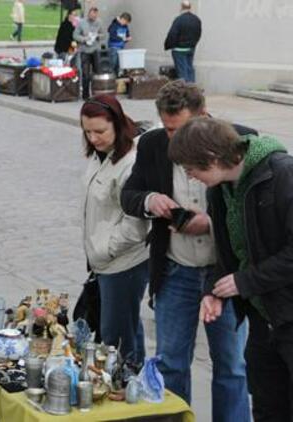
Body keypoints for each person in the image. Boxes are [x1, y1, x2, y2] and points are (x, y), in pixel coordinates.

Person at [120, 80, 252, 422]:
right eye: (168, 129)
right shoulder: (151, 144)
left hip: (222, 273)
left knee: (232, 366)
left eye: (181, 130)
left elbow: (251, 213)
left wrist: (209, 222)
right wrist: (150, 201)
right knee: (171, 362)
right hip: (175, 270)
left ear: (204, 116)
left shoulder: (239, 142)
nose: (173, 140)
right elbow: (129, 194)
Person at [168, 118, 293, 421]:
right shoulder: (220, 189)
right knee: (266, 406)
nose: (192, 178)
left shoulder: (283, 174)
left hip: (287, 311)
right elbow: (226, 250)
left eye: (191, 169)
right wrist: (214, 291)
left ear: (211, 158)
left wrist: (243, 281)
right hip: (264, 318)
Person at [80, 95, 149, 364]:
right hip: (104, 262)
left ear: (117, 125)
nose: (93, 138)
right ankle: (136, 381)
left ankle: (124, 388)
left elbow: (136, 224)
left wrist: (105, 249)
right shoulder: (101, 156)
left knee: (115, 338)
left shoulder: (129, 163)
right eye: (87, 131)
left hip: (123, 263)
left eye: (100, 131)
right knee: (127, 329)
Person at [164, 1, 201, 83]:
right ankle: (192, 88)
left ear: (181, 7)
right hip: (191, 48)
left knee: (182, 72)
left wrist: (168, 45)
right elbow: (198, 34)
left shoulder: (179, 20)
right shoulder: (196, 19)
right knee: (189, 69)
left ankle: (185, 91)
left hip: (179, 49)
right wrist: (193, 44)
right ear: (190, 7)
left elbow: (172, 34)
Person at [73, 7, 105, 100]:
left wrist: (98, 36)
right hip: (85, 50)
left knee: (96, 73)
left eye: (95, 16)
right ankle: (86, 95)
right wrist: (84, 38)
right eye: (92, 15)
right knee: (86, 74)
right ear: (89, 14)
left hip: (95, 50)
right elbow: (75, 35)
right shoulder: (82, 23)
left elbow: (103, 34)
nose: (93, 17)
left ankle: (96, 93)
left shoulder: (99, 22)